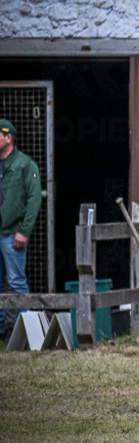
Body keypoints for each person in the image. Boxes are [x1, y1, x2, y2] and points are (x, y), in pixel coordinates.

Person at [0, 119, 42, 340]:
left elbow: (34, 199)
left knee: (16, 282)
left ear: (9, 138)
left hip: (12, 233)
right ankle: (1, 330)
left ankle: (22, 332)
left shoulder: (25, 164)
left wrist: (24, 231)